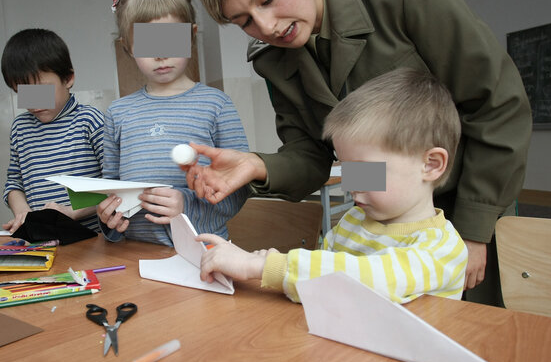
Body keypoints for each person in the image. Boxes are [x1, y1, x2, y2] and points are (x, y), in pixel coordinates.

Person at [189, 0, 531, 305]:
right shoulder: (273, 59)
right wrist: (256, 164)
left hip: (471, 201)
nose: (265, 26)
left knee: (476, 332)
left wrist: (473, 229)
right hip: (376, 214)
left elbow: (497, 104)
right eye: (244, 20)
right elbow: (312, 156)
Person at [199, 69, 468, 303]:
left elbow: (371, 280)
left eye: (364, 170)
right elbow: (318, 283)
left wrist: (261, 265)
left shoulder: (442, 250)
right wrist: (267, 263)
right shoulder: (351, 222)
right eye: (346, 167)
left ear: (431, 165)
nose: (352, 184)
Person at [96, 0, 249, 246]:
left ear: (191, 36)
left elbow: (239, 189)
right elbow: (111, 191)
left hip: (204, 251)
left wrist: (186, 205)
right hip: (135, 254)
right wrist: (108, 220)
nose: (160, 53)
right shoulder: (117, 113)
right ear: (127, 47)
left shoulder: (217, 105)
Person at [2, 29, 104, 233]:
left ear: (68, 78)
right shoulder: (20, 128)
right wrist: (23, 212)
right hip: (43, 239)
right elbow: (14, 183)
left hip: (92, 239)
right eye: (23, 92)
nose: (34, 102)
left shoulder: (89, 121)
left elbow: (116, 184)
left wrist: (73, 211)